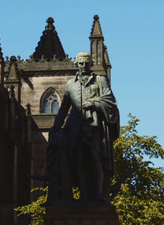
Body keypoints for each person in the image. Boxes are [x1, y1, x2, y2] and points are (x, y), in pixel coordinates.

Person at [49, 51, 119, 203]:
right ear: (76, 64)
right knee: (79, 160)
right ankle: (84, 194)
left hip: (94, 126)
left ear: (90, 64)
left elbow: (110, 100)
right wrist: (55, 127)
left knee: (95, 158)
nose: (82, 66)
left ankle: (99, 193)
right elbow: (63, 108)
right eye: (80, 63)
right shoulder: (70, 84)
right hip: (74, 127)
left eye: (85, 63)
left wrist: (94, 103)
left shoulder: (100, 80)